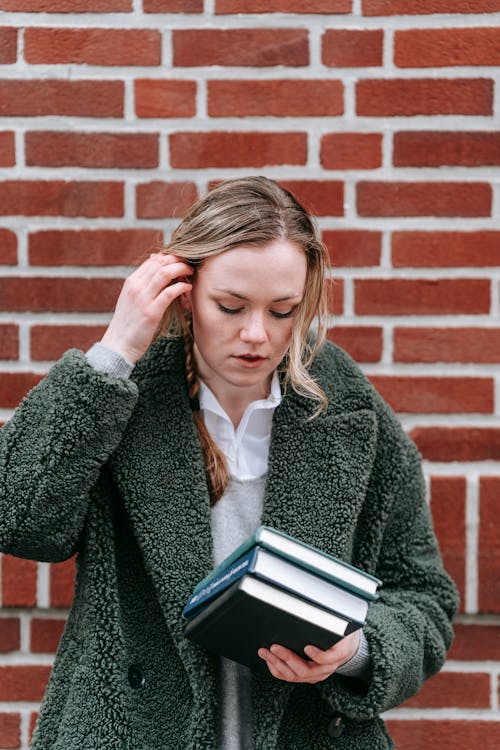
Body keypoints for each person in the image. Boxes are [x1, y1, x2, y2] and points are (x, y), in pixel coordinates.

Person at [0, 176, 457, 750]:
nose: (256, 335)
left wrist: (356, 650)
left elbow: (424, 598)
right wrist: (115, 349)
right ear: (185, 290)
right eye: (231, 305)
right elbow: (17, 516)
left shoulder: (351, 415)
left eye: (283, 310)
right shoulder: (121, 398)